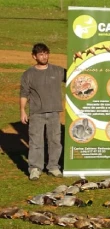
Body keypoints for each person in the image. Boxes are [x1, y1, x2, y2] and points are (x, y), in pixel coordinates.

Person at [20, 43, 66, 180]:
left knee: (55, 141)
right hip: (36, 113)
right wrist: (22, 110)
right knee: (36, 142)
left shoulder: (58, 71)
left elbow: (75, 77)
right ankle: (35, 168)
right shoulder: (28, 74)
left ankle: (53, 167)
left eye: (46, 53)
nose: (44, 56)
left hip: (54, 112)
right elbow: (24, 93)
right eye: (41, 54)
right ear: (34, 56)